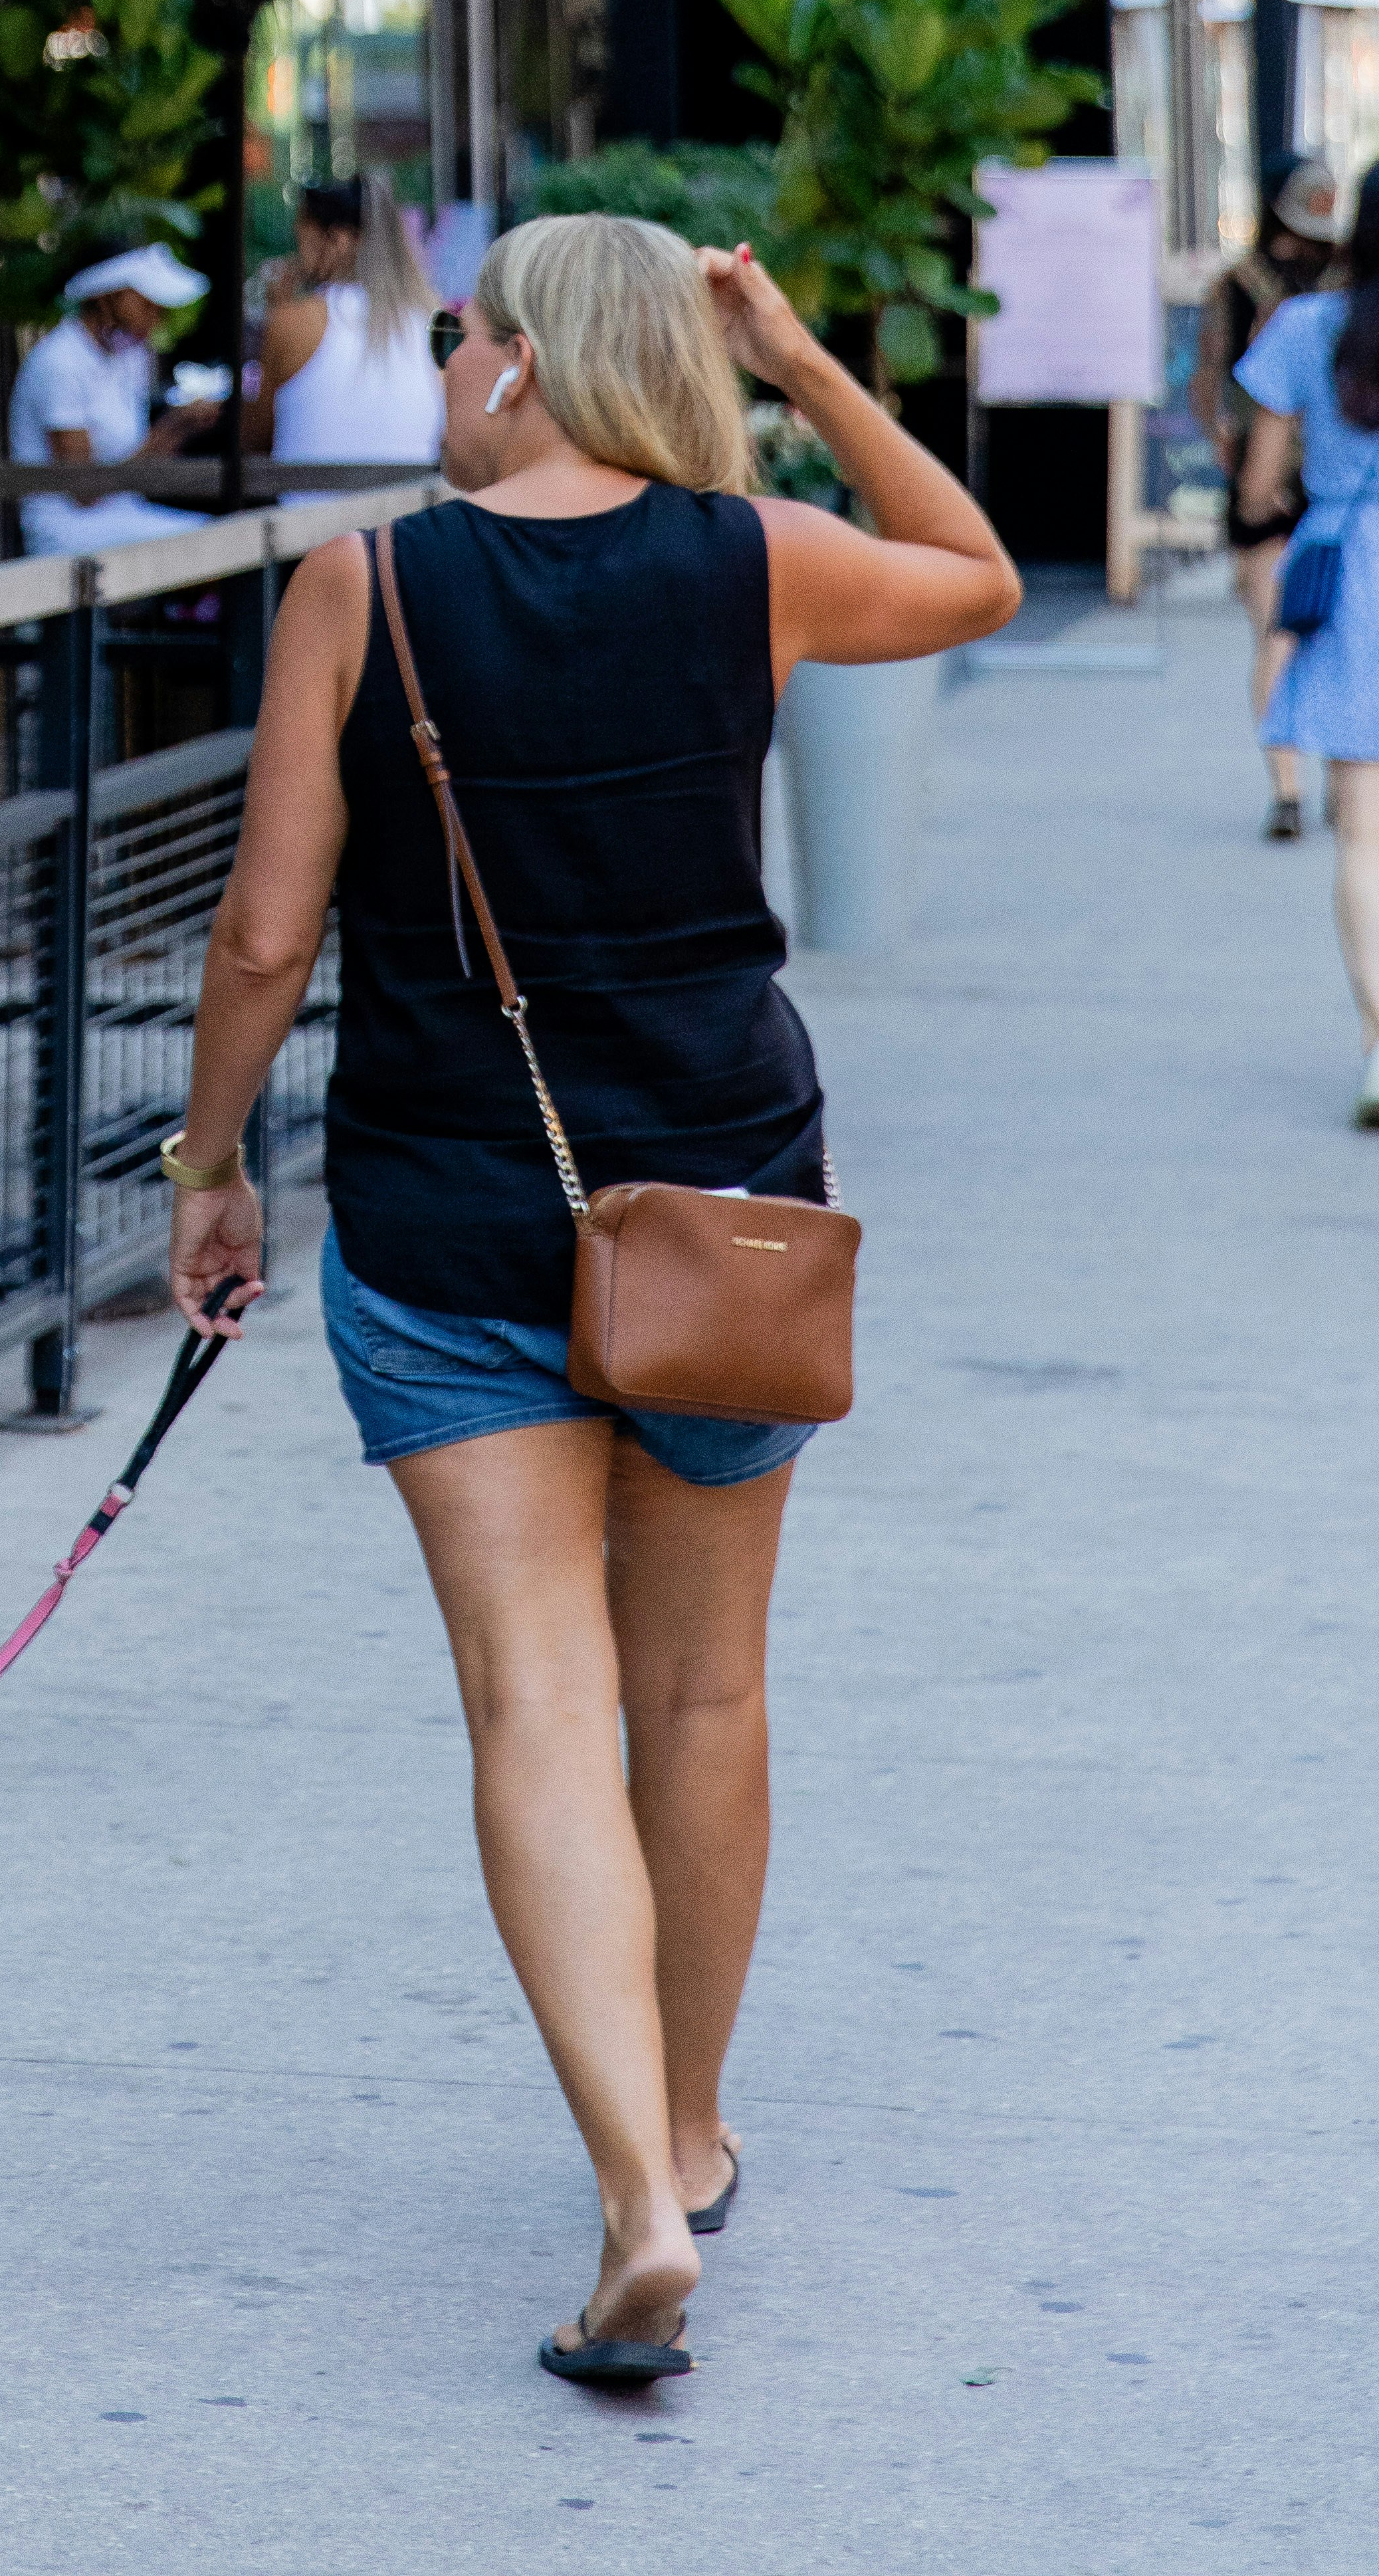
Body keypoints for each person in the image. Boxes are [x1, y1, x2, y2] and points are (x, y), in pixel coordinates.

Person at [161, 214, 1015, 2389]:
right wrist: (804, 351)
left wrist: (209, 1163)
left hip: (454, 1202)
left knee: (535, 1701)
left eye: (460, 335)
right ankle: (700, 2124)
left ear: (525, 365)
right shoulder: (759, 557)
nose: (440, 365)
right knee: (704, 1693)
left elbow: (266, 931)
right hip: (724, 1206)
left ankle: (636, 2191)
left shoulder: (366, 582)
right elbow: (981, 570)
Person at [1230, 179, 1379, 1117]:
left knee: (1360, 832)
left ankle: (1377, 1040)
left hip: (1353, 572)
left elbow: (1256, 479)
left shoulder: (1305, 327)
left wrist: (1270, 510)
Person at [1201, 156, 1336, 817]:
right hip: (1337, 487)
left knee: (1272, 634)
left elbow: (1210, 386)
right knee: (1344, 638)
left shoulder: (1237, 283)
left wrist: (1236, 466)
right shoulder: (1349, 291)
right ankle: (1344, 782)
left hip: (1262, 478)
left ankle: (1285, 787)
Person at [6, 243, 209, 557]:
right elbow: (84, 492)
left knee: (227, 537)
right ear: (104, 297)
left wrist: (186, 424)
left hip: (124, 517)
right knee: (214, 546)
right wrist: (167, 432)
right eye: (145, 303)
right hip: (70, 531)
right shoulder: (60, 361)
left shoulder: (132, 356)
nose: (157, 316)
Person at [253, 173, 447, 481]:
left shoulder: (296, 321)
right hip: (405, 519)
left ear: (339, 240)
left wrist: (278, 313)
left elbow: (255, 439)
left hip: (305, 523)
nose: (296, 245)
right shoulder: (432, 323)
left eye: (303, 232)